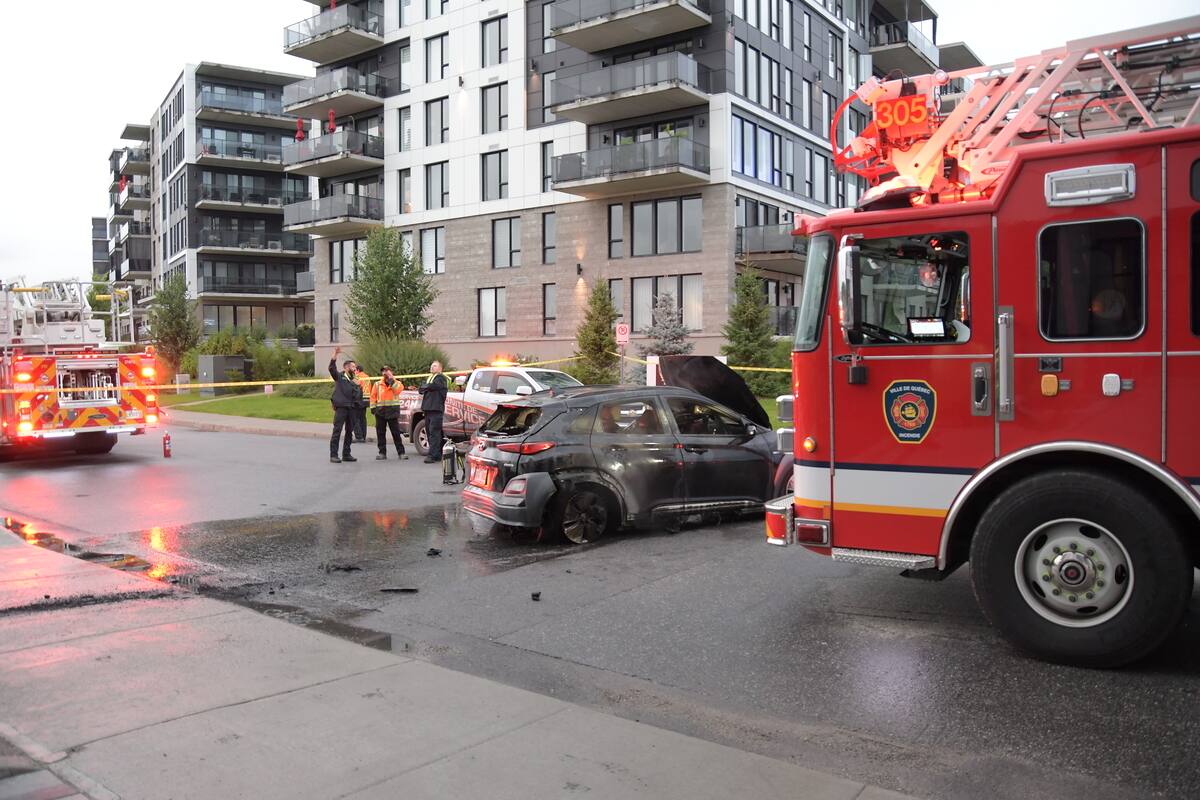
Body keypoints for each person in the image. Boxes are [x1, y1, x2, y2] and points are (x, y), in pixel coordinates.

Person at [328, 347, 362, 464]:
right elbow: (331, 369)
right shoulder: (340, 377)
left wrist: (357, 386)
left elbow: (357, 395)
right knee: (337, 430)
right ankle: (334, 455)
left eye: (355, 367)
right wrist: (335, 355)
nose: (355, 369)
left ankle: (346, 454)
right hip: (341, 407)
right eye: (353, 367)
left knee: (349, 431)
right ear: (346, 367)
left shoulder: (355, 380)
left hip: (351, 408)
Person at [370, 365, 408, 460]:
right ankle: (382, 453)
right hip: (380, 412)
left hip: (392, 411)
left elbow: (398, 390)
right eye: (383, 371)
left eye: (387, 371)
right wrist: (373, 408)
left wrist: (391, 380)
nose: (385, 373)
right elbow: (373, 396)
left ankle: (401, 453)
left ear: (391, 372)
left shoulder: (397, 383)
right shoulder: (377, 384)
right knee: (380, 433)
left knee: (396, 433)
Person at [417, 360, 449, 463]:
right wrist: (425, 387)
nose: (432, 367)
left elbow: (433, 386)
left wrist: (426, 386)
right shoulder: (430, 379)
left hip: (436, 409)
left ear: (440, 368)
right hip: (428, 409)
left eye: (434, 366)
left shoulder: (441, 378)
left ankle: (432, 455)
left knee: (434, 433)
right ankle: (437, 454)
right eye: (431, 366)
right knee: (430, 432)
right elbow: (421, 389)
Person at [353, 364, 371, 443]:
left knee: (355, 418)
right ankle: (363, 436)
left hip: (359, 400)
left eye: (354, 370)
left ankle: (359, 437)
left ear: (357, 370)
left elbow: (355, 387)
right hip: (366, 399)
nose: (354, 371)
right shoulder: (367, 376)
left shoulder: (357, 377)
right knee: (363, 418)